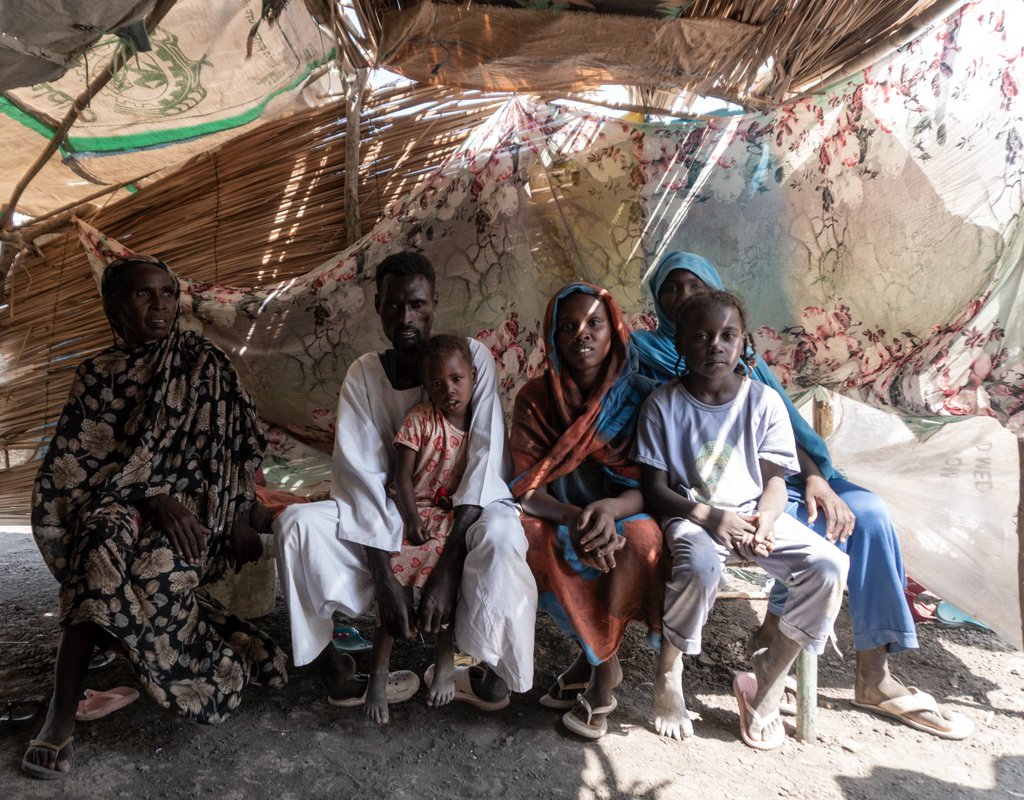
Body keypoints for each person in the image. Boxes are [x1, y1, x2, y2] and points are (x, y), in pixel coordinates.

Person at [632, 251, 973, 740]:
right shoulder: (645, 357)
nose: (687, 297)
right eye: (673, 289)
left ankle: (865, 673)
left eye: (695, 286)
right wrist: (716, 515)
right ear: (666, 311)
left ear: (741, 336)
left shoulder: (753, 377)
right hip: (702, 499)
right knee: (715, 556)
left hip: (770, 486)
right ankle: (741, 651)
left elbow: (786, 439)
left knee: (867, 516)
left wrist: (813, 478)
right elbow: (656, 474)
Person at [23, 255, 287, 780]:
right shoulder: (96, 375)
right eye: (144, 295)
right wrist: (150, 497)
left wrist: (235, 515)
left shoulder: (203, 364)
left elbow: (238, 447)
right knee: (96, 549)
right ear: (113, 308)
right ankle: (59, 717)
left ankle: (215, 661)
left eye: (167, 293)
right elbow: (74, 470)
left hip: (198, 508)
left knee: (151, 578)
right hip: (119, 502)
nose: (161, 305)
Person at [275, 251, 536, 716]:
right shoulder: (363, 375)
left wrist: (447, 567)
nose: (406, 317)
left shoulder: (471, 358)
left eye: (417, 305)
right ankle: (334, 668)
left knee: (502, 535)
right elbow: (360, 479)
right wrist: (385, 577)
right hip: (390, 515)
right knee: (295, 524)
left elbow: (482, 462)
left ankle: (492, 666)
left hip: (463, 511)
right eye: (394, 306)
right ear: (378, 306)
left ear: (434, 303)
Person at [635, 289, 849, 749]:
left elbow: (775, 482)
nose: (715, 345)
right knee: (699, 566)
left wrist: (768, 520)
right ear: (680, 344)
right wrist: (712, 518)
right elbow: (655, 490)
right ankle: (670, 669)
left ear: (743, 343)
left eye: (727, 335)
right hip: (693, 514)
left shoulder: (764, 402)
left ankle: (770, 673)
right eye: (702, 336)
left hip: (756, 515)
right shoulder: (662, 405)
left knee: (829, 567)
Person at [509, 283, 667, 740]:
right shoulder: (535, 398)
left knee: (641, 539)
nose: (582, 334)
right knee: (529, 540)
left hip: (626, 509)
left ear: (614, 331)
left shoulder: (640, 395)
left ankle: (589, 661)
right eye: (567, 327)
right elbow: (527, 488)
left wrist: (609, 509)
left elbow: (651, 487)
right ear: (552, 338)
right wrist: (574, 518)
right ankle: (606, 670)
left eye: (594, 323)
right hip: (558, 513)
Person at [360, 334, 477, 722]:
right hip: (410, 509)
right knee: (392, 570)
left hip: (447, 516)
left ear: (473, 377)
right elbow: (403, 477)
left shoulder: (480, 427)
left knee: (451, 570)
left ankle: (444, 658)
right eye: (438, 384)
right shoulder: (420, 421)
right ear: (427, 388)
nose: (449, 391)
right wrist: (410, 519)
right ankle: (379, 670)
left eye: (457, 379)